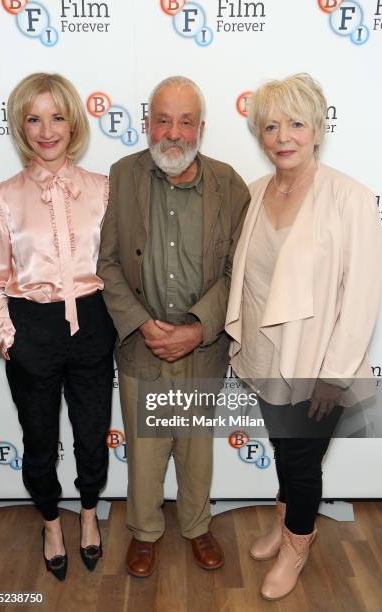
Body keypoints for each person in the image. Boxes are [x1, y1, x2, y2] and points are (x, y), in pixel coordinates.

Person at [225, 73, 381, 600]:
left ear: (317, 128)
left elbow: (362, 294)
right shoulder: (253, 193)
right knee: (283, 449)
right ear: (259, 134)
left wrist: (335, 376)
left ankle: (298, 543)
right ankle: (285, 520)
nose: (283, 135)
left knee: (299, 458)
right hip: (267, 356)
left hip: (318, 364)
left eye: (295, 122)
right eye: (271, 125)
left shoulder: (349, 197)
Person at [97, 75, 250, 577]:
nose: (173, 133)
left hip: (201, 347)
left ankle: (196, 526)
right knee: (144, 449)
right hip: (143, 345)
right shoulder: (120, 176)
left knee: (195, 447)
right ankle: (144, 533)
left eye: (185, 122)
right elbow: (108, 264)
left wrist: (199, 327)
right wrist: (142, 325)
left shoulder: (229, 184)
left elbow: (238, 273)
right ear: (147, 125)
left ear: (201, 129)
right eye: (163, 120)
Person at [0, 73, 116, 580]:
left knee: (91, 433)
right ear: (19, 125)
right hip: (31, 328)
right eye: (34, 118)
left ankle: (87, 514)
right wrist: (5, 332)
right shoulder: (2, 196)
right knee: (38, 438)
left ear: (74, 123)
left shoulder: (103, 189)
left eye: (57, 117)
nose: (46, 130)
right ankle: (51, 521)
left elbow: (117, 266)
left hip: (93, 322)